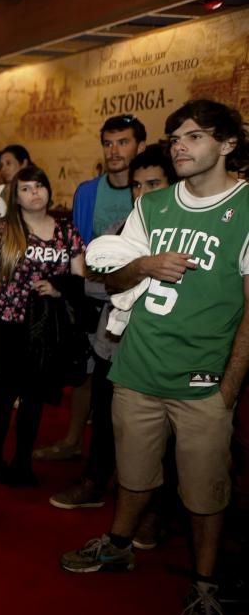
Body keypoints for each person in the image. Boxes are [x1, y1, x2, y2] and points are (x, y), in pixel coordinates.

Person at [61, 99, 249, 615]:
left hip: (203, 382)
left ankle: (206, 583)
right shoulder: (154, 205)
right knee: (135, 472)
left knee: (205, 492)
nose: (179, 146)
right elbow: (115, 280)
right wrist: (142, 264)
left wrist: (228, 390)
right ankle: (118, 545)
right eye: (175, 138)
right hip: (138, 369)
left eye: (193, 137)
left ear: (228, 144)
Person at [50, 144, 178, 514]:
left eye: (153, 184)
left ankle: (155, 510)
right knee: (105, 422)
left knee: (159, 438)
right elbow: (92, 280)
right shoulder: (119, 228)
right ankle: (94, 483)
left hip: (159, 349)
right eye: (136, 185)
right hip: (113, 344)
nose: (142, 193)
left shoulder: (183, 234)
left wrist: (125, 276)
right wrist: (135, 273)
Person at [36, 114, 148, 463]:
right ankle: (73, 441)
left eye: (123, 142)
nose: (114, 151)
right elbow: (79, 248)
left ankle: (124, 461)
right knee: (86, 375)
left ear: (140, 146)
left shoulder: (151, 188)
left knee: (127, 386)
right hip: (92, 297)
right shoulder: (88, 191)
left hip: (137, 298)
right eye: (108, 143)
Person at [0, 165, 86, 487]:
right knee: (2, 394)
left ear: (48, 190)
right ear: (16, 196)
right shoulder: (2, 229)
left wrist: (59, 287)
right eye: (26, 188)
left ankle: (23, 461)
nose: (34, 193)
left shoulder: (67, 230)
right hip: (7, 322)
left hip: (45, 327)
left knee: (34, 397)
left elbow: (80, 278)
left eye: (39, 186)